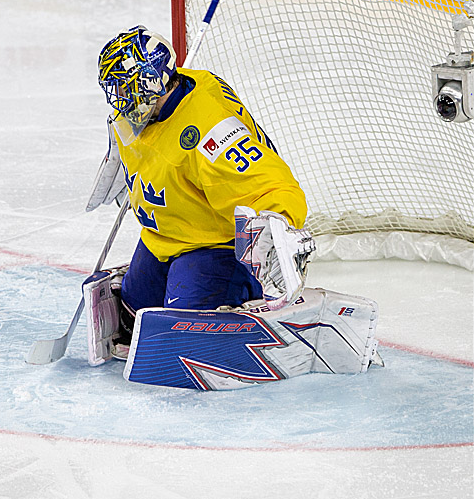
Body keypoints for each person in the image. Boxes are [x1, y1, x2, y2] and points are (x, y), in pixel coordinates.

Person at [81, 25, 357, 384]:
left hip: (214, 244)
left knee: (179, 334)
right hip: (164, 235)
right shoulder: (143, 109)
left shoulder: (210, 132)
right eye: (114, 89)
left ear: (153, 82)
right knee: (134, 311)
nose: (118, 99)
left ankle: (241, 293)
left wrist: (280, 228)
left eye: (125, 87)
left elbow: (272, 183)